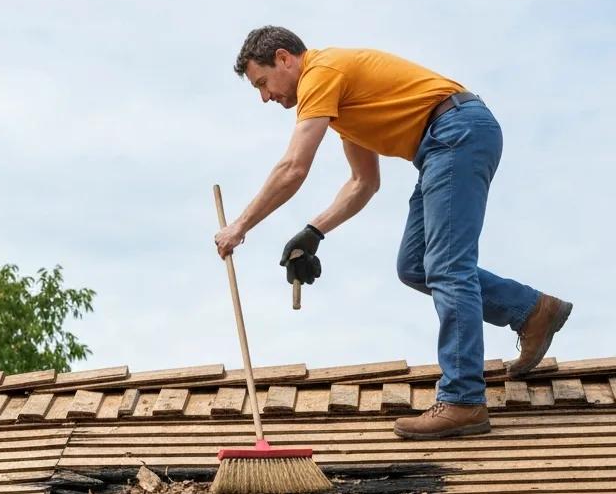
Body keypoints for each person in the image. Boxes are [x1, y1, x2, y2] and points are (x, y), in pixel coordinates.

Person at [213, 26, 572, 440]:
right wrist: (313, 232)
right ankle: (531, 310)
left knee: (446, 267)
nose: (264, 97)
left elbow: (294, 167)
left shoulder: (321, 72)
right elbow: (363, 183)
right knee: (415, 265)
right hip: (443, 143)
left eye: (262, 83)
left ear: (284, 58)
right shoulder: (340, 104)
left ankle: (462, 401)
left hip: (455, 133)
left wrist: (239, 227)